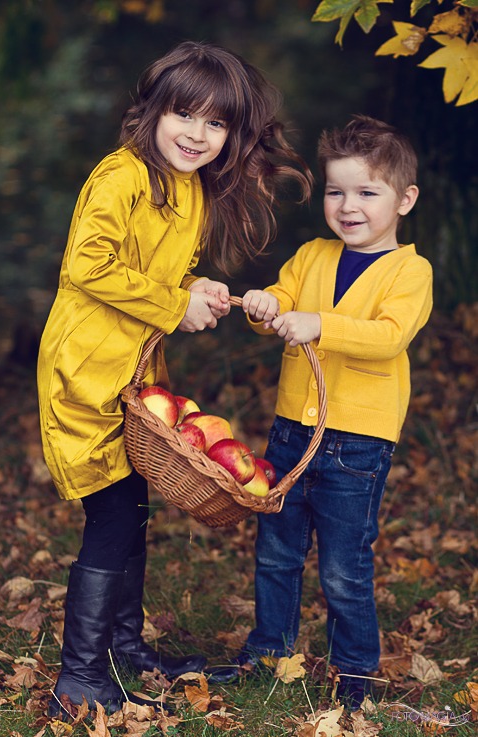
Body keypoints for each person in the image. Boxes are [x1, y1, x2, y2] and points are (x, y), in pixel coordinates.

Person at [37, 40, 313, 717]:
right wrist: (172, 304)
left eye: (216, 124)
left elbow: (153, 272)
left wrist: (197, 288)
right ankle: (78, 677)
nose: (198, 134)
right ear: (152, 111)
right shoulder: (122, 175)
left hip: (131, 372)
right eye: (184, 115)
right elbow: (88, 265)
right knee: (109, 514)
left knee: (132, 508)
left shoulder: (187, 187)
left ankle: (121, 646)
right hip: (87, 367)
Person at [208, 115, 433, 709]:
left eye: (367, 192)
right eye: (336, 191)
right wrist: (265, 304)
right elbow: (284, 301)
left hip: (356, 446)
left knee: (343, 565)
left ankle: (355, 671)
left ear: (404, 199)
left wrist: (319, 324)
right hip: (291, 433)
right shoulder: (312, 255)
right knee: (277, 552)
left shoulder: (411, 272)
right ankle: (268, 652)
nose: (347, 205)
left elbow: (387, 336)